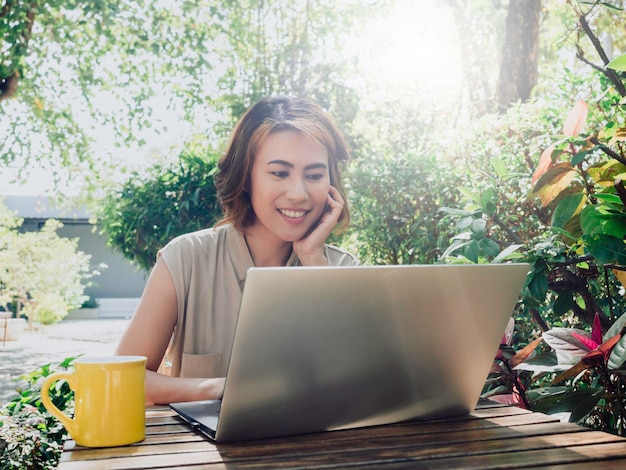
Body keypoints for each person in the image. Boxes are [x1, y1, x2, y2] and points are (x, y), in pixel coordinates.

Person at [115, 96, 359, 405]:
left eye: (313, 175)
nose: (298, 194)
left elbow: (356, 381)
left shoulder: (342, 268)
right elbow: (121, 376)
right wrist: (217, 388)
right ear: (246, 177)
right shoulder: (185, 259)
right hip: (200, 452)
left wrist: (314, 260)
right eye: (279, 173)